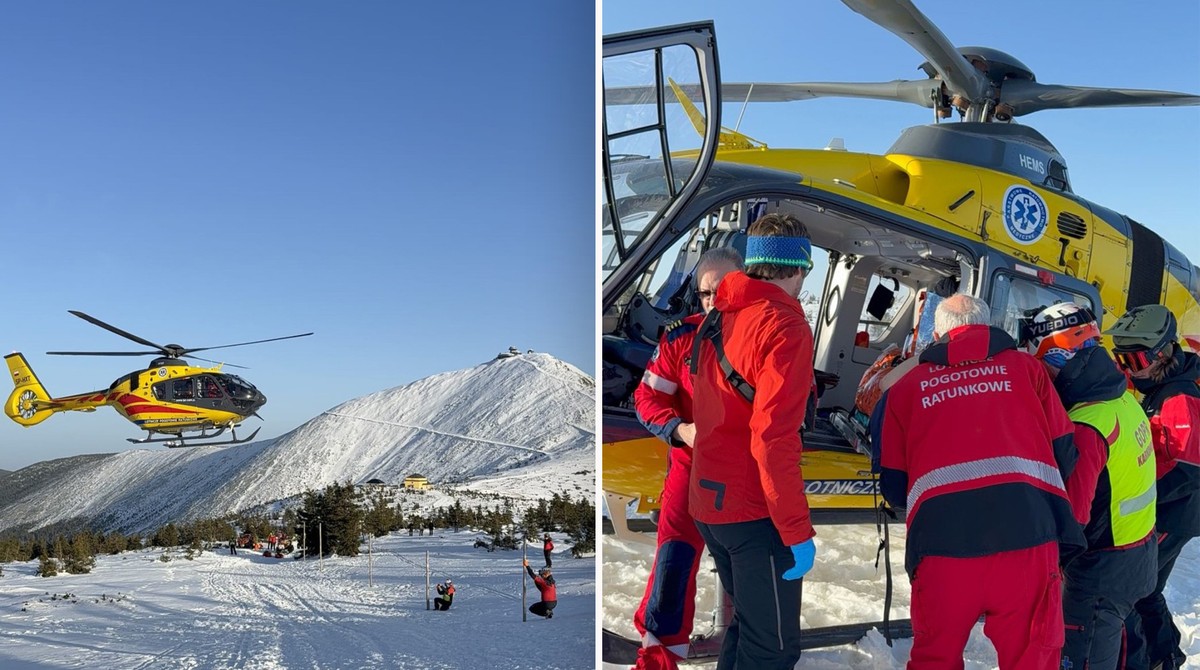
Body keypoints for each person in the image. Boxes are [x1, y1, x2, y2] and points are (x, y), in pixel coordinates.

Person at [874, 294, 1086, 669]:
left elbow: (892, 481)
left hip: (942, 545)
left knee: (935, 658)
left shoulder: (906, 387)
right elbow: (1065, 450)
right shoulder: (1027, 370)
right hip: (1027, 539)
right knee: (1031, 657)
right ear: (989, 326)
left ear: (938, 333)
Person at [688, 214, 816, 670]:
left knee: (748, 629)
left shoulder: (721, 314)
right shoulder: (785, 326)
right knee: (773, 648)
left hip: (710, 503)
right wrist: (797, 532)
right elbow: (773, 438)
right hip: (755, 512)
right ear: (798, 267)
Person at [1024, 303, 1157, 670]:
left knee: (1082, 659)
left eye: (1040, 363)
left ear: (1058, 354)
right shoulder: (1122, 397)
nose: (1041, 374)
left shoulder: (1085, 425)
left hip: (1101, 572)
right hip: (1138, 553)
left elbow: (1071, 521)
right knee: (1127, 654)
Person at [631, 246, 743, 670]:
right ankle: (660, 653)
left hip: (749, 474)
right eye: (704, 293)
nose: (713, 300)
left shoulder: (770, 334)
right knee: (674, 562)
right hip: (691, 468)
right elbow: (647, 397)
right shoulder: (680, 338)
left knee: (751, 568)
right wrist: (679, 429)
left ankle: (750, 646)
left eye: (722, 289)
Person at [1108, 304, 1200, 670]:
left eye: (1134, 360)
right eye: (1121, 359)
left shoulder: (1179, 397)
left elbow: (1187, 468)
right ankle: (1165, 657)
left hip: (1172, 513)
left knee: (1133, 590)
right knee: (1146, 591)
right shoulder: (1159, 381)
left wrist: (1138, 492)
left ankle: (1152, 660)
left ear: (1162, 353)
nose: (1129, 369)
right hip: (1158, 508)